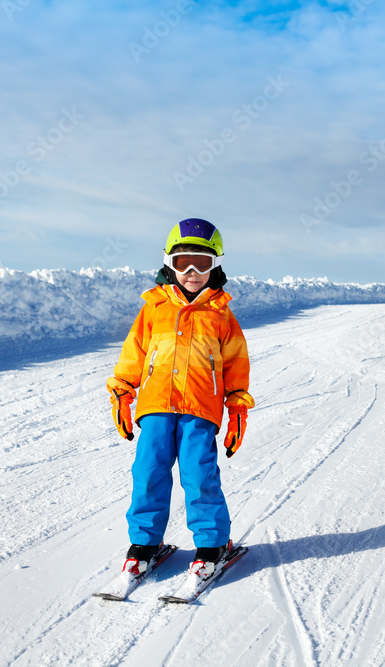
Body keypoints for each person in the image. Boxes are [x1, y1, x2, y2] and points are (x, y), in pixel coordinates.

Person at [107, 218, 255, 582]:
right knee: (148, 472)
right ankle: (144, 544)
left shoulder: (221, 315)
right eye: (184, 261)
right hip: (156, 405)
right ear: (169, 262)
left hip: (199, 408)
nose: (192, 271)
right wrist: (123, 391)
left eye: (202, 263)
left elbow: (236, 363)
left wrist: (237, 407)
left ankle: (212, 544)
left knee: (199, 474)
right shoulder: (154, 308)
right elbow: (134, 352)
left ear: (215, 265)